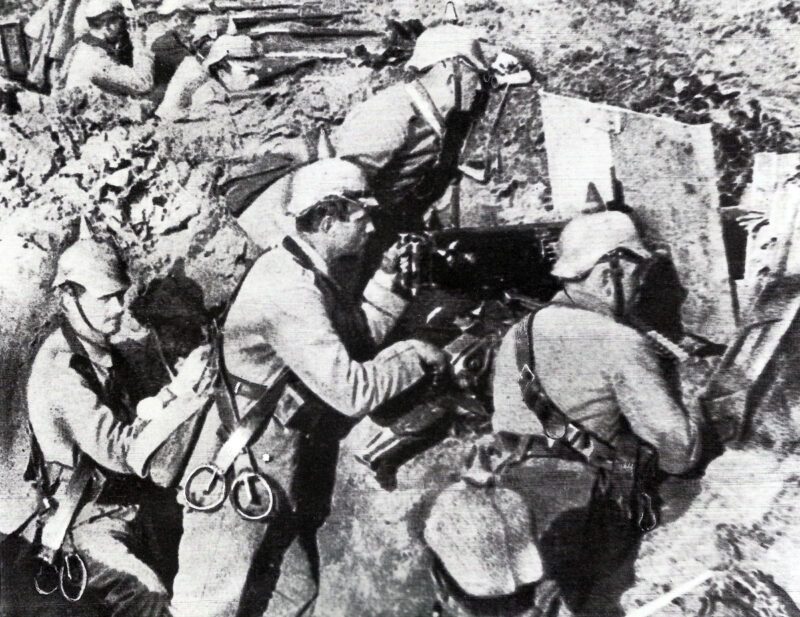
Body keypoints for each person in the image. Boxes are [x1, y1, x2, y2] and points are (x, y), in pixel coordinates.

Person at [169, 158, 448, 617]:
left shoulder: (304, 269)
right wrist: (413, 356)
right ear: (326, 219)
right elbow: (352, 389)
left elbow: (352, 342)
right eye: (362, 218)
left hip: (274, 475)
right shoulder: (289, 290)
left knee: (294, 600)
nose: (372, 227)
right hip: (238, 477)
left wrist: (390, 285)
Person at [490, 210, 704, 615]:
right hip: (583, 517)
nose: (639, 292)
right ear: (610, 275)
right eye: (637, 279)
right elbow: (679, 453)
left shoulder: (517, 334)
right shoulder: (620, 341)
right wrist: (692, 397)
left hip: (514, 502)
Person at [19, 227, 212, 617]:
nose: (119, 308)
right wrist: (179, 393)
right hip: (86, 521)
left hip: (130, 505)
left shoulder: (102, 351)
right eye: (106, 298)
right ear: (69, 298)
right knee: (149, 597)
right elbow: (124, 453)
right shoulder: (62, 370)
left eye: (121, 296)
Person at [333, 24, 491, 235]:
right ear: (451, 77)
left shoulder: (439, 124)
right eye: (475, 77)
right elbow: (339, 201)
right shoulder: (389, 114)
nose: (479, 88)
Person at [57, 0, 159, 98]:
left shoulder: (82, 46)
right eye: (122, 21)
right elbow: (143, 83)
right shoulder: (97, 59)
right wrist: (139, 42)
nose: (126, 27)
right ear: (107, 25)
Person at [155, 33, 262, 122]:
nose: (255, 78)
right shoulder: (208, 97)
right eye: (247, 72)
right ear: (222, 74)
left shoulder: (216, 90)